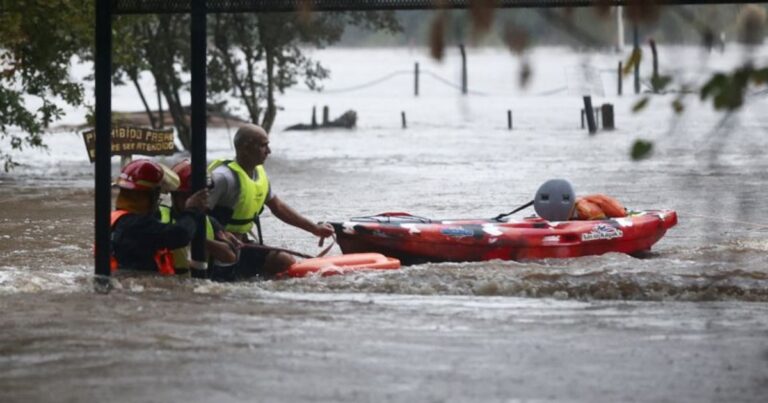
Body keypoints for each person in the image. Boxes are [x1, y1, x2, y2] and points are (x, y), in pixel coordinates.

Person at [207, 124, 334, 279]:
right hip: (218, 249)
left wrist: (314, 228)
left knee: (284, 261)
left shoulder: (259, 174)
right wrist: (221, 233)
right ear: (244, 148)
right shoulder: (222, 178)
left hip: (243, 244)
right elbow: (196, 212)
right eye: (263, 146)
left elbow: (278, 207)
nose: (269, 151)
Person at [110, 159, 208, 275]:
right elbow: (181, 234)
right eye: (156, 195)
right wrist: (192, 210)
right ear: (147, 196)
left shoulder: (118, 219)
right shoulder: (135, 225)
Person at [157, 160, 238, 275]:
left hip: (199, 284)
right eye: (186, 196)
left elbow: (230, 256)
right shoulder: (158, 217)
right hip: (169, 284)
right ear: (174, 195)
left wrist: (201, 241)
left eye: (198, 197)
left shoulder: (209, 222)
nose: (193, 201)